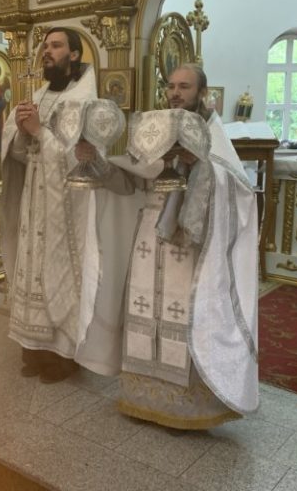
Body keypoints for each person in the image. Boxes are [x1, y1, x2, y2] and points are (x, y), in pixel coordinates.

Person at [77, 64, 259, 429]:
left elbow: (240, 190)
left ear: (202, 93)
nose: (175, 93)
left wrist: (200, 164)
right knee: (145, 312)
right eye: (171, 86)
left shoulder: (213, 136)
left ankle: (187, 410)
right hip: (148, 240)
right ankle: (141, 399)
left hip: (190, 247)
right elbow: (130, 182)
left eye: (184, 87)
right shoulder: (153, 130)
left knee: (183, 316)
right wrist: (95, 162)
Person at [0, 27, 100, 382]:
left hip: (67, 206)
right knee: (31, 265)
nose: (47, 51)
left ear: (74, 54)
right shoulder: (38, 96)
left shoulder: (85, 103)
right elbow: (18, 154)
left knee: (61, 268)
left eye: (56, 46)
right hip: (34, 199)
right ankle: (33, 347)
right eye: (45, 46)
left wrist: (39, 132)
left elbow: (81, 160)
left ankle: (61, 355)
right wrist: (20, 132)